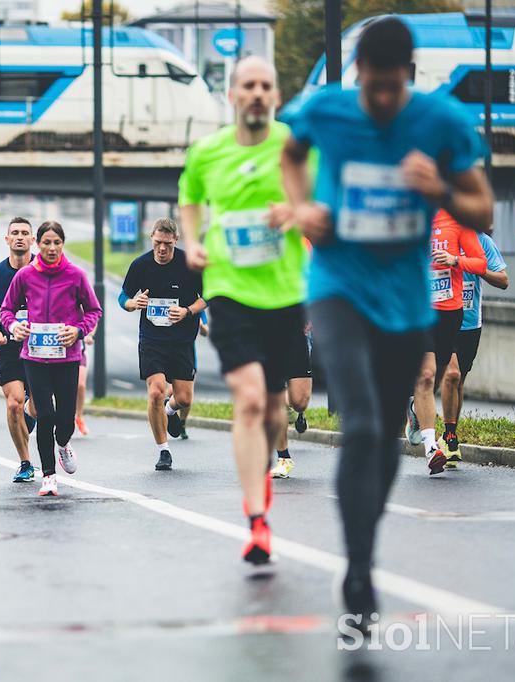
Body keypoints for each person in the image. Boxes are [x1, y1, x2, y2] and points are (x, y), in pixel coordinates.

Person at [281, 17, 493, 623]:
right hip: (338, 289)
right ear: (358, 75)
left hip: (405, 304)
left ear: (408, 75)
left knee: (383, 444)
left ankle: (362, 557)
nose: (377, 100)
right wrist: (302, 208)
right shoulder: (326, 107)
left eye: (388, 88)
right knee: (367, 423)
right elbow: (290, 155)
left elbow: (484, 207)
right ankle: (357, 570)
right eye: (368, 86)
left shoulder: (439, 121)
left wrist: (443, 189)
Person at [179, 56, 309, 567]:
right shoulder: (207, 152)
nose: (257, 93)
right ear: (232, 95)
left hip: (283, 292)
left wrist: (296, 212)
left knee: (275, 409)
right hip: (228, 290)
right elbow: (190, 197)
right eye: (247, 85)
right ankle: (256, 519)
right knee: (250, 400)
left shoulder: (295, 149)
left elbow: (322, 208)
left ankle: (263, 491)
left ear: (276, 96)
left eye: (266, 86)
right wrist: (192, 241)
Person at [0, 221, 103, 497]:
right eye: (46, 242)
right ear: (38, 245)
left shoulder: (75, 275)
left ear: (63, 244)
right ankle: (48, 476)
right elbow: (7, 310)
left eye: (57, 242)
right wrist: (13, 327)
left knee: (65, 420)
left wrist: (78, 330)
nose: (52, 248)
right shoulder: (25, 276)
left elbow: (94, 310)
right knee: (44, 414)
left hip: (67, 358)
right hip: (34, 358)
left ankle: (63, 443)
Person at [120, 217, 206, 470]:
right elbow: (123, 296)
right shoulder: (141, 265)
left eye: (167, 244)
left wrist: (188, 311)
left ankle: (170, 411)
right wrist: (133, 304)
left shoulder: (189, 265)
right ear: (152, 239)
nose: (162, 249)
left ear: (175, 241)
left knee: (185, 399)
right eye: (158, 243)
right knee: (156, 390)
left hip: (181, 340)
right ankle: (163, 450)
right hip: (152, 339)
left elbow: (208, 297)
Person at [405, 209, 487, 473]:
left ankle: (416, 410)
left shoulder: (457, 220)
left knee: (436, 375)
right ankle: (431, 447)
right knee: (426, 376)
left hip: (450, 312)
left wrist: (454, 259)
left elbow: (480, 263)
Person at [440, 232, 508, 467]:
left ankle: (450, 435)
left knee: (459, 381)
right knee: (451, 374)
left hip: (470, 323)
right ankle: (449, 435)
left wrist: (479, 270)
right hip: (443, 318)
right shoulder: (442, 234)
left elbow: (503, 280)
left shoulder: (482, 241)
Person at [0, 217, 38, 483]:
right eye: (15, 233)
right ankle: (25, 463)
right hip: (9, 347)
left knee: (38, 407)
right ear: (7, 239)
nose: (20, 237)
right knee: (14, 404)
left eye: (25, 233)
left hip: (41, 347)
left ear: (33, 240)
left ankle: (30, 415)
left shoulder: (44, 269)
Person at [270, 324, 314, 479]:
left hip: (296, 332)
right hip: (265, 335)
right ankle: (284, 458)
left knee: (300, 401)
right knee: (273, 397)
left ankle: (294, 409)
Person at [74, 330, 94, 437]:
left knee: (81, 385)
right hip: (59, 353)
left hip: (79, 351)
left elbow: (94, 316)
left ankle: (79, 417)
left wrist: (89, 334)